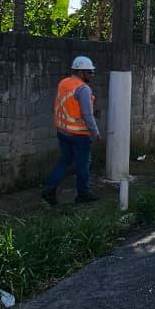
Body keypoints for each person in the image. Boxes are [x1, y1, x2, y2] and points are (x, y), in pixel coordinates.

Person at [42, 55, 102, 206]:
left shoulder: (64, 83)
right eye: (89, 72)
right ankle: (83, 194)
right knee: (83, 165)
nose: (91, 75)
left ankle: (49, 190)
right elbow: (87, 115)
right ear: (81, 72)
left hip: (63, 131)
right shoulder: (83, 89)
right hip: (79, 135)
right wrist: (96, 133)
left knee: (65, 161)